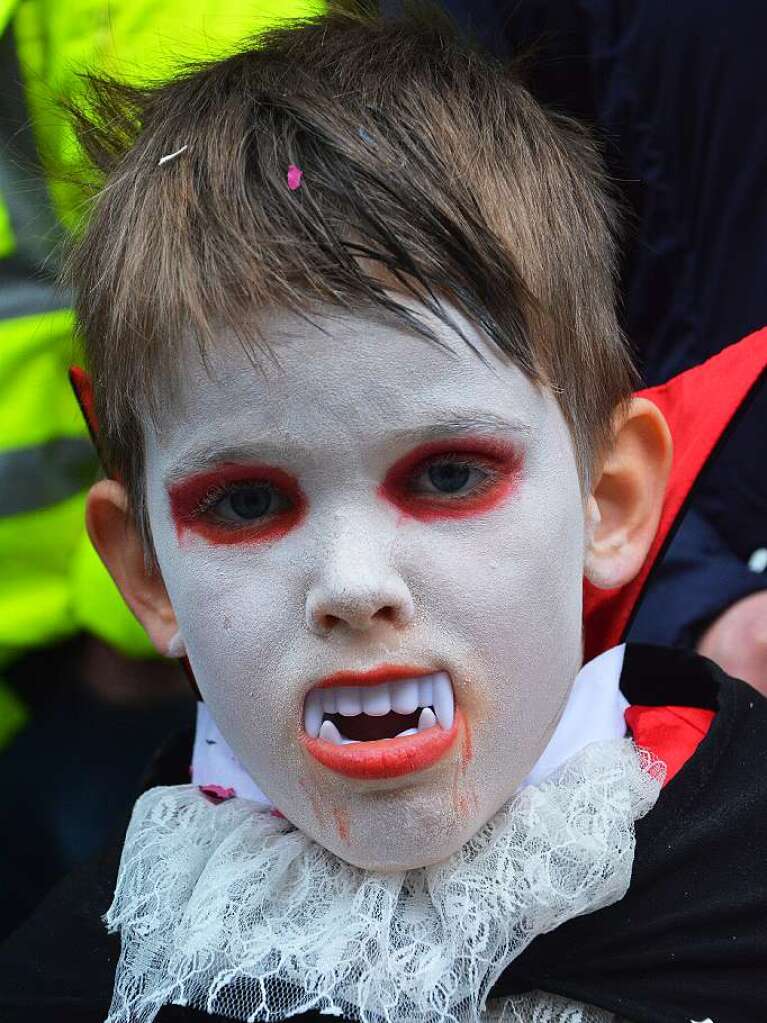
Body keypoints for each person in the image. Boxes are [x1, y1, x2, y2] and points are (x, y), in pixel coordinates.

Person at [1, 5, 766, 1021]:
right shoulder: (97, 955)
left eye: (448, 476)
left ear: (610, 499)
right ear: (146, 572)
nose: (354, 585)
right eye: (245, 500)